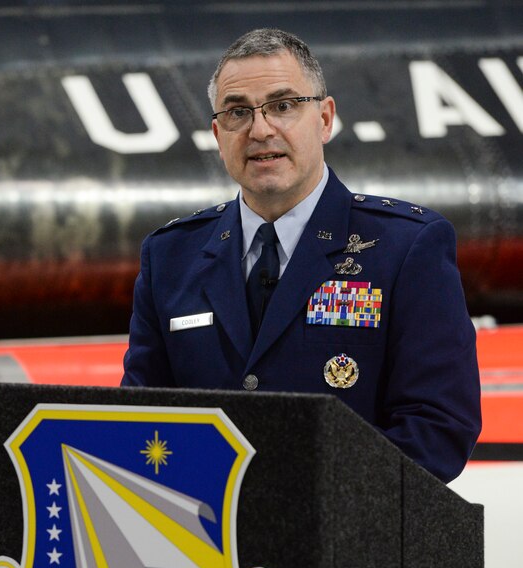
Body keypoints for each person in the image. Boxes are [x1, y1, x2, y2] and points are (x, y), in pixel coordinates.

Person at [121, 28, 481, 483]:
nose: (261, 129)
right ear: (217, 133)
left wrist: (303, 508)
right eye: (237, 112)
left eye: (284, 106)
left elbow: (438, 428)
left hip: (346, 540)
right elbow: (138, 420)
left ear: (325, 119)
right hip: (203, 539)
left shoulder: (406, 248)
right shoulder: (170, 256)